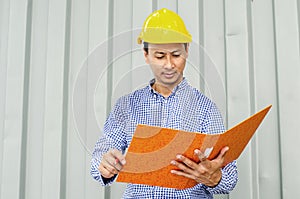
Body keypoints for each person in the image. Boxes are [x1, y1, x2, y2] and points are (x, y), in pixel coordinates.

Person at [91, 8, 238, 198]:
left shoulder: (205, 109)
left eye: (176, 55)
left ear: (187, 51)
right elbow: (100, 155)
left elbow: (230, 177)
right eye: (159, 55)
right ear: (146, 55)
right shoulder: (127, 106)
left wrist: (214, 177)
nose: (169, 64)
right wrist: (104, 166)